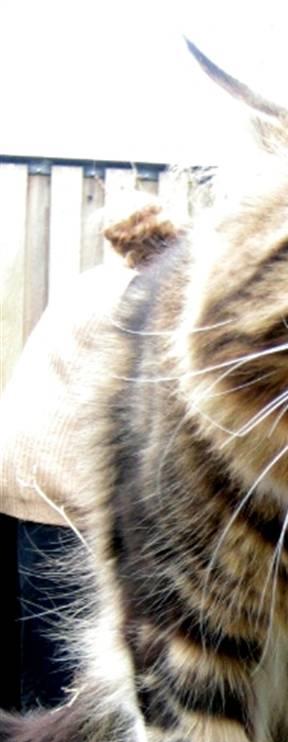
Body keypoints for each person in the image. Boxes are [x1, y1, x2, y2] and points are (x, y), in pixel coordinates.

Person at [0, 199, 180, 710]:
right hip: (57, 501)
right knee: (58, 684)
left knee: (16, 671)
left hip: (14, 479)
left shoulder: (89, 284)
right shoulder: (143, 302)